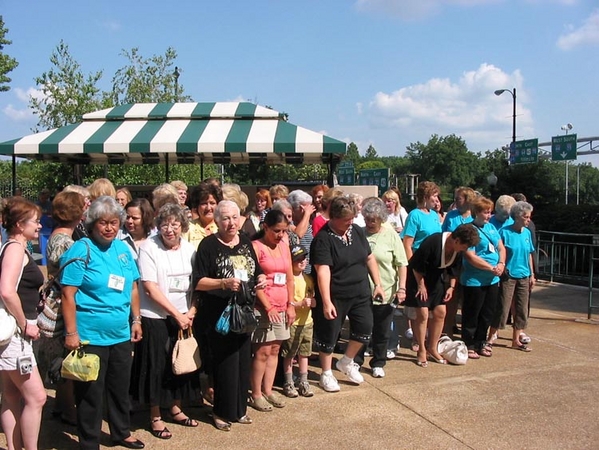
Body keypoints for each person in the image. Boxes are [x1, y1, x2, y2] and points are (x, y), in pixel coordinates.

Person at [60, 196, 144, 450]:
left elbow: (133, 286)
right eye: (103, 223)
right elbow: (68, 294)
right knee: (90, 394)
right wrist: (71, 332)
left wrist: (137, 319)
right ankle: (89, 441)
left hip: (119, 333)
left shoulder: (122, 249)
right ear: (92, 223)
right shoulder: (81, 249)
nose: (109, 228)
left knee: (119, 388)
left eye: (114, 223)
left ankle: (121, 432)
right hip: (89, 335)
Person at [194, 200, 266, 431]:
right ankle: (221, 412)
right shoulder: (208, 245)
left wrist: (261, 279)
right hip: (219, 314)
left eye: (234, 217)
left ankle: (239, 410)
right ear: (216, 221)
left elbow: (256, 270)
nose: (231, 223)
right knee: (224, 364)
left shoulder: (245, 241)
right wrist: (223, 283)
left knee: (243, 361)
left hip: (244, 311)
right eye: (225, 218)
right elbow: (199, 282)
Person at [132, 203, 198, 440]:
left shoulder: (189, 249)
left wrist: (191, 310)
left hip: (183, 317)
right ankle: (155, 414)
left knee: (179, 364)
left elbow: (196, 282)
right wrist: (176, 314)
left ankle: (176, 408)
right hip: (156, 318)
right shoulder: (149, 247)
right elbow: (150, 288)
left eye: (174, 224)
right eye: (164, 224)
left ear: (182, 226)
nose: (169, 229)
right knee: (156, 367)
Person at [310, 196, 384, 392]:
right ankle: (326, 373)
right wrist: (326, 301)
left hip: (360, 291)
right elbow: (323, 270)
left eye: (352, 218)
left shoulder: (357, 232)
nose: (350, 222)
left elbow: (369, 258)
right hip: (336, 293)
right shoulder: (323, 239)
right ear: (333, 218)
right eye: (346, 219)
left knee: (365, 328)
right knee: (329, 334)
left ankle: (347, 361)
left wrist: (378, 284)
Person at [0, 197, 47, 450]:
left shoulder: (11, 247)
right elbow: (7, 291)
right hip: (15, 336)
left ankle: (13, 446)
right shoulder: (15, 249)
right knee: (37, 397)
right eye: (35, 222)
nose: (39, 226)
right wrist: (24, 323)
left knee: (12, 394)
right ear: (19, 224)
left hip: (11, 335)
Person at [39, 191, 86, 425]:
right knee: (65, 360)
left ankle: (60, 405)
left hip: (57, 299)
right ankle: (69, 410)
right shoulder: (65, 242)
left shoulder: (56, 236)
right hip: (60, 304)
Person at [405, 224, 480, 367]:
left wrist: (451, 287)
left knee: (441, 312)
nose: (465, 250)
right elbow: (416, 265)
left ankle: (432, 347)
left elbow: (454, 270)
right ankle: (421, 350)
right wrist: (421, 285)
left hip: (436, 279)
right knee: (423, 314)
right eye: (465, 246)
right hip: (418, 278)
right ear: (456, 240)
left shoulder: (457, 251)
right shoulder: (433, 242)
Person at [250, 210, 295, 411]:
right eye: (276, 231)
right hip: (263, 306)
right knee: (262, 351)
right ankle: (256, 393)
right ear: (265, 227)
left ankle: (268, 390)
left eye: (284, 231)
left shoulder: (284, 246)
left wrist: (291, 304)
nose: (280, 235)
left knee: (275, 349)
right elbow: (253, 281)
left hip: (282, 305)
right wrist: (267, 306)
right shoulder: (256, 247)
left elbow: (290, 278)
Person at [360, 197, 408, 378]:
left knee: (382, 330)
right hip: (362, 291)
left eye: (373, 220)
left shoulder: (391, 235)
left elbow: (402, 263)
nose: (370, 223)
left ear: (381, 218)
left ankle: (378, 362)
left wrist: (401, 288)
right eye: (367, 219)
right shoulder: (359, 233)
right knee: (361, 329)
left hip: (386, 290)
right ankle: (356, 361)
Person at [461, 197, 506, 359]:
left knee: (487, 312)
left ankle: (481, 341)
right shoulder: (469, 230)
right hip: (475, 280)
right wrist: (490, 268)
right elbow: (470, 256)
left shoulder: (492, 228)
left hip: (492, 280)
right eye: (485, 212)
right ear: (476, 213)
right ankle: (469, 342)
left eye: (490, 212)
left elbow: (500, 247)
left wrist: (501, 263)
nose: (488, 215)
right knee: (473, 312)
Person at [488, 201, 536, 352]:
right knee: (503, 307)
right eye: (526, 217)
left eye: (529, 217)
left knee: (521, 308)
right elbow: (499, 252)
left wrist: (532, 274)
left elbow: (529, 254)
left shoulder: (527, 233)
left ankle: (516, 339)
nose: (529, 220)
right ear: (518, 216)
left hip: (524, 275)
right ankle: (492, 336)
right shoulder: (505, 232)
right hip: (508, 275)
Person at [401, 181, 442, 348]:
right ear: (425, 197)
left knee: (436, 310)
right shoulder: (414, 215)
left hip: (434, 266)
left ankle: (431, 342)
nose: (436, 199)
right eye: (434, 196)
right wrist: (414, 267)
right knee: (421, 310)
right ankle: (418, 341)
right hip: (419, 266)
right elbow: (407, 243)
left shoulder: (434, 215)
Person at [281, 245, 315, 398]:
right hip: (293, 322)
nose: (302, 262)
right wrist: (299, 304)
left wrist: (312, 302)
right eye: (298, 259)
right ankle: (288, 381)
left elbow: (312, 298)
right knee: (289, 353)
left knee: (304, 353)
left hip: (307, 321)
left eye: (304, 258)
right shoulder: (289, 279)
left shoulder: (308, 279)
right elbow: (286, 301)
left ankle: (303, 380)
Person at [184, 182, 222, 250]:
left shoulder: (224, 228)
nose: (208, 208)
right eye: (204, 203)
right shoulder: (187, 228)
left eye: (212, 203)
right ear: (197, 205)